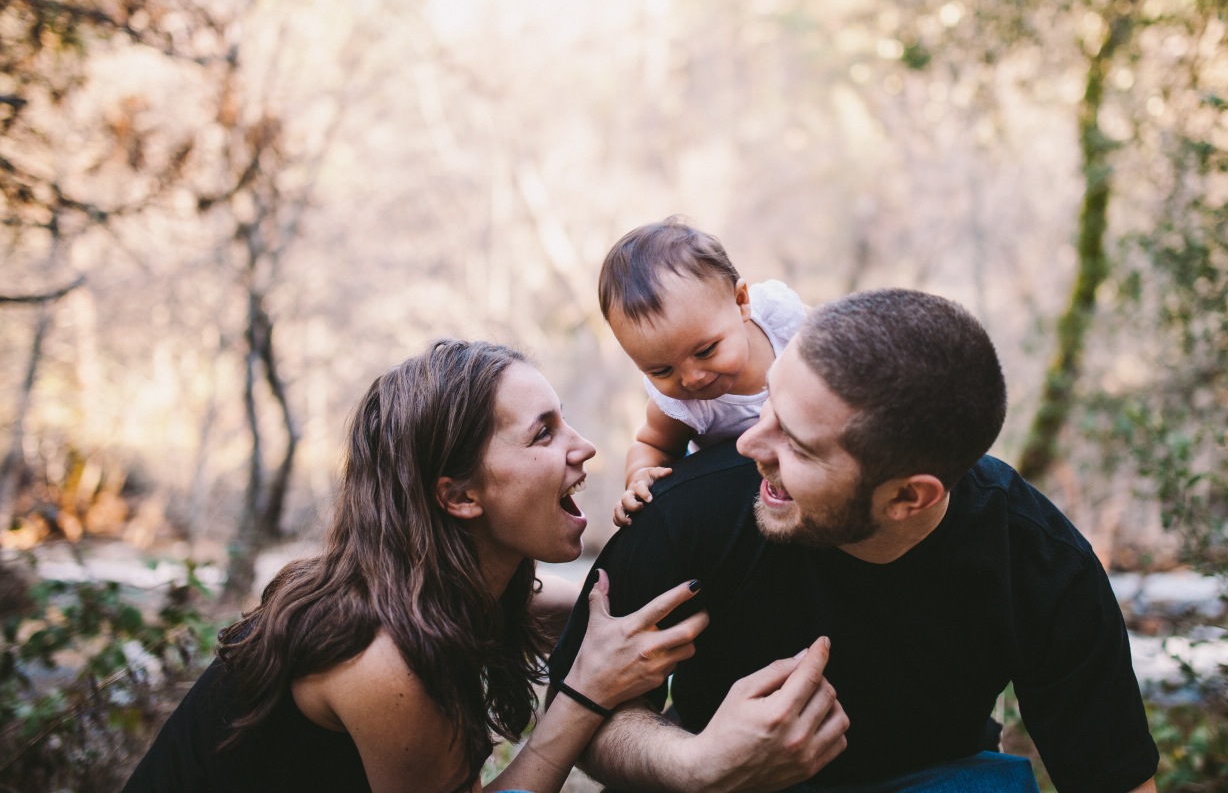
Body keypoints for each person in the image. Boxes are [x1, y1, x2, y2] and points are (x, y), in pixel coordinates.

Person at [550, 289, 1161, 793]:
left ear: (907, 498)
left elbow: (1115, 780)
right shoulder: (682, 511)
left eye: (798, 444)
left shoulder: (1038, 559)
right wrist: (696, 763)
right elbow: (580, 715)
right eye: (768, 408)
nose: (748, 445)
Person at [124, 340, 709, 793]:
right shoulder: (382, 659)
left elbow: (572, 606)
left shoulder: (422, 587)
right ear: (459, 497)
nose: (583, 448)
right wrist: (586, 693)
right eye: (544, 434)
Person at [599, 217, 806, 526]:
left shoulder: (779, 319)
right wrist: (640, 476)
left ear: (741, 303)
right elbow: (651, 445)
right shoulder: (681, 406)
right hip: (746, 493)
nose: (691, 378)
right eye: (662, 370)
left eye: (706, 351)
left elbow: (836, 342)